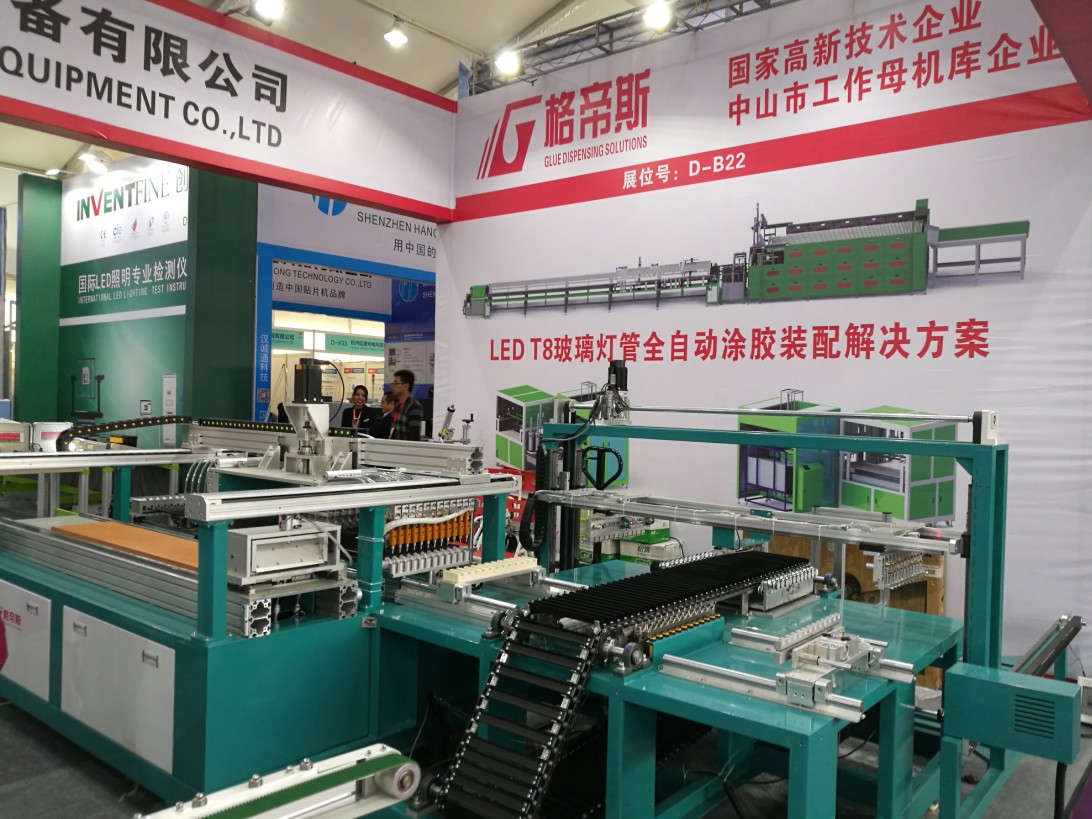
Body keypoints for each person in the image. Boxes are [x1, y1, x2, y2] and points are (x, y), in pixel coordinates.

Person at [389, 370, 424, 441]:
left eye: (396, 383)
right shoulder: (397, 405)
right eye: (392, 383)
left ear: (406, 386)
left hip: (406, 446)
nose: (393, 386)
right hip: (394, 445)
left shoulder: (414, 406)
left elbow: (414, 435)